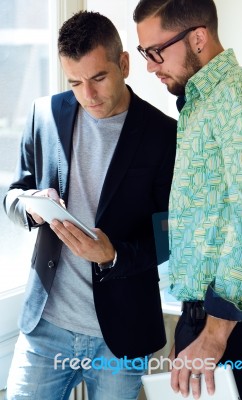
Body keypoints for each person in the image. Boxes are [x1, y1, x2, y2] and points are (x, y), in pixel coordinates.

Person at [3, 10, 177, 400]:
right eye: (76, 82)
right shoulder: (44, 114)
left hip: (121, 336)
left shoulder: (165, 136)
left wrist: (113, 255)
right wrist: (31, 205)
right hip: (45, 327)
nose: (88, 95)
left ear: (124, 64)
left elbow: (171, 236)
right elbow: (12, 194)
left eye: (98, 77)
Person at [134, 1, 242, 399]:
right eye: (144, 53)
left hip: (238, 324)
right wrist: (191, 327)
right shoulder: (199, 104)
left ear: (198, 37)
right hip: (204, 319)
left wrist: (214, 331)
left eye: (155, 51)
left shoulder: (240, 96)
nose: (150, 66)